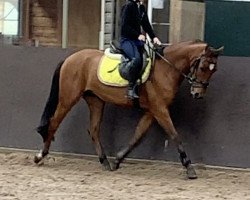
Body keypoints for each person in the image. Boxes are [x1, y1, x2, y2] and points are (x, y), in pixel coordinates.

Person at [120, 0, 161, 99]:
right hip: (127, 40)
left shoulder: (141, 8)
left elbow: (146, 24)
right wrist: (137, 35)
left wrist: (153, 37)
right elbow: (125, 27)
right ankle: (130, 88)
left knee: (148, 57)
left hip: (137, 41)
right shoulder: (128, 7)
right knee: (137, 59)